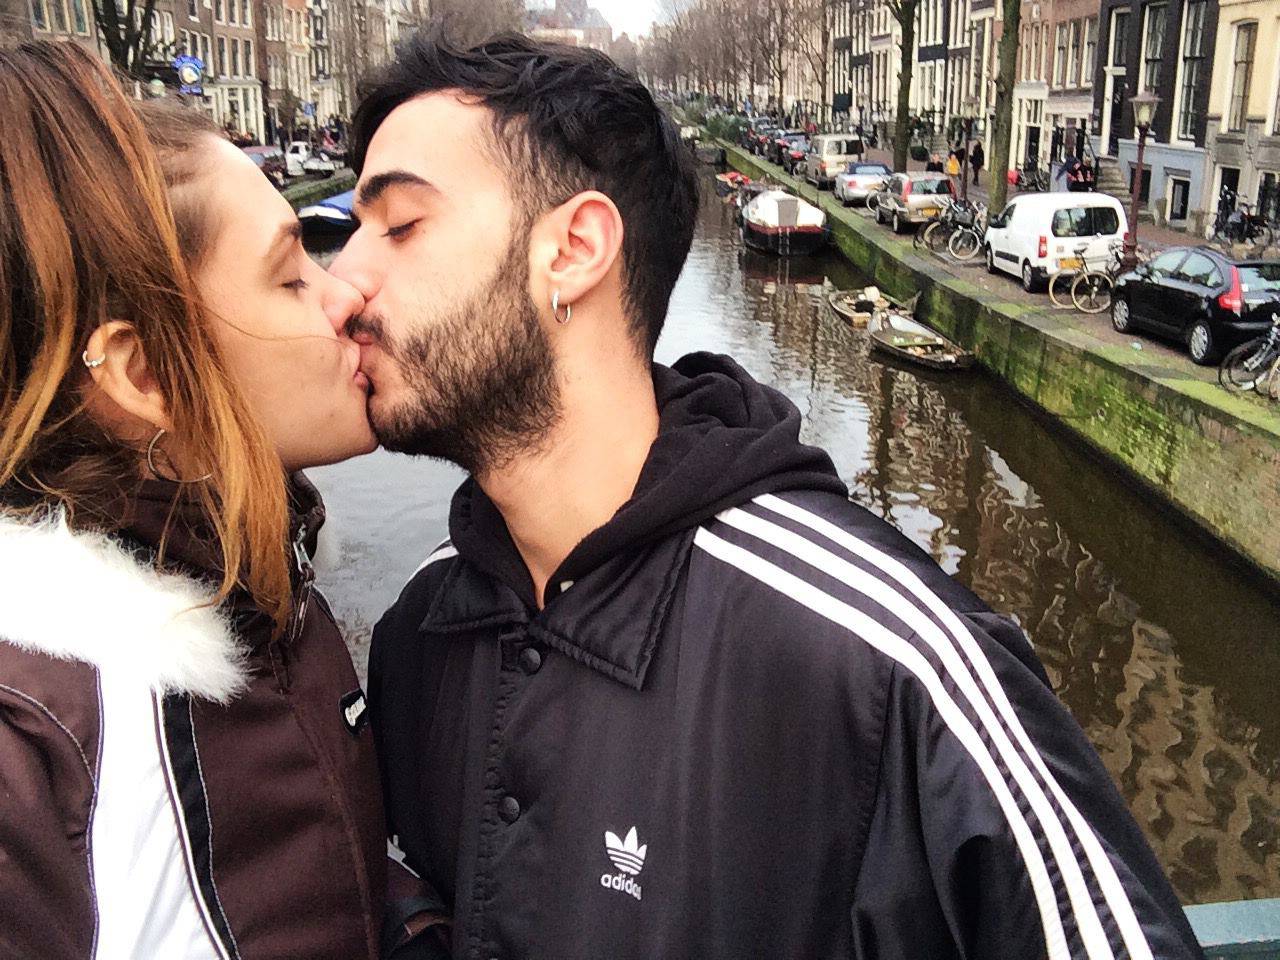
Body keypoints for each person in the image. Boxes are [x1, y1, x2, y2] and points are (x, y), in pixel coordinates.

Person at [342, 31, 1205, 960]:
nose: (342, 280)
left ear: (575, 249)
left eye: (399, 225)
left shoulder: (892, 670)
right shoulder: (415, 631)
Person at [0, 42, 444, 959]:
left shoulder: (257, 582)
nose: (343, 295)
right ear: (145, 375)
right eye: (290, 276)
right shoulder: (35, 757)